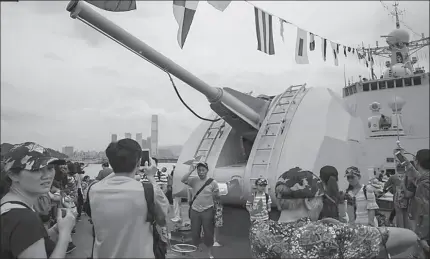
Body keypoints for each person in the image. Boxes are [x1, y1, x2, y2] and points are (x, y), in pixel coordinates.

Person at [249, 166, 419, 258]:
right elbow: (409, 237)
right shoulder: (331, 234)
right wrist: (340, 229)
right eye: (319, 200)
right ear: (309, 202)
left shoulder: (257, 232)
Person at [88, 139, 169, 258]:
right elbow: (163, 219)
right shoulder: (147, 191)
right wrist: (151, 177)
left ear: (110, 163)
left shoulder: (93, 190)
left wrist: (118, 167)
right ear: (138, 162)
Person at [0, 142, 75, 259]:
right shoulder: (24, 219)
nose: (47, 175)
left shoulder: (9, 206)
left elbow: (27, 241)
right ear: (13, 175)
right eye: (36, 169)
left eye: (50, 168)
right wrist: (65, 235)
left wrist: (56, 229)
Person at [181, 162, 219, 259]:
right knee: (195, 232)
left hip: (207, 210)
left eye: (203, 170)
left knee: (208, 232)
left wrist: (216, 205)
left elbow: (217, 197)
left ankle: (209, 252)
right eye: (199, 170)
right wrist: (191, 170)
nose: (201, 172)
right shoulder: (194, 180)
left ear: (207, 170)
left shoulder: (213, 182)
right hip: (195, 210)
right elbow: (183, 179)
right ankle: (196, 250)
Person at [402, 149, 430, 258]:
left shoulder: (423, 185)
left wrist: (422, 238)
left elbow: (426, 212)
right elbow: (421, 179)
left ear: (417, 162)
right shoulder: (424, 181)